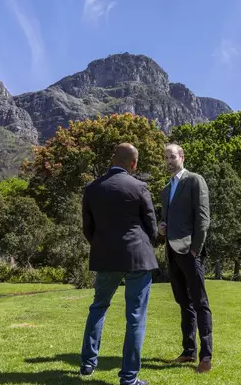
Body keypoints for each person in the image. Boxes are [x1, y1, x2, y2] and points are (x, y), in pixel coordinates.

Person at [79, 143, 158, 385]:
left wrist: (103, 246)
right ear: (133, 164)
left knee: (99, 307)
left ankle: (88, 363)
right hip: (137, 257)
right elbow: (152, 227)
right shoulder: (139, 187)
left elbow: (88, 228)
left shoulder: (92, 188)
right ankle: (129, 378)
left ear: (113, 159)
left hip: (105, 258)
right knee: (135, 316)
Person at [158, 143, 213, 374]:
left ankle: (206, 357)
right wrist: (162, 227)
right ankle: (188, 351)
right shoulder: (165, 189)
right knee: (184, 303)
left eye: (172, 156)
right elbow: (169, 219)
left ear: (182, 156)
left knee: (200, 304)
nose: (168, 160)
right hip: (171, 251)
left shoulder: (194, 180)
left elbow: (202, 218)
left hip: (190, 252)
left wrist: (195, 249)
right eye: (166, 157)